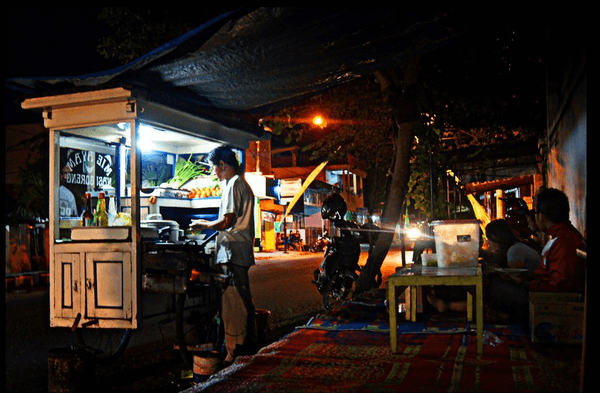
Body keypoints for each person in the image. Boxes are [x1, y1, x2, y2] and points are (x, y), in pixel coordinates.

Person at [190, 146, 257, 366]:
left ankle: (234, 352)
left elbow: (227, 221)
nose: (215, 174)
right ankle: (248, 345)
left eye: (215, 169)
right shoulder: (242, 184)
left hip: (232, 250)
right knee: (242, 300)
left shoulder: (233, 184)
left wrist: (203, 225)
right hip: (241, 250)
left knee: (233, 304)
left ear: (223, 165)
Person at [529, 188, 586, 293]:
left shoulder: (566, 241)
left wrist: (526, 285)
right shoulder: (560, 237)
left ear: (541, 216)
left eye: (535, 213)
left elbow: (559, 286)